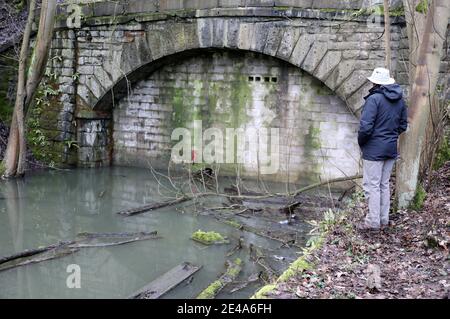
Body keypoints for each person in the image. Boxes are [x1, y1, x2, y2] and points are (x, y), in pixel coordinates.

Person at [357, 67, 408, 231]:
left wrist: (362, 142)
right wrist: (391, 137)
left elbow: (365, 127)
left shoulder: (374, 100)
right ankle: (383, 219)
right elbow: (402, 125)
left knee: (373, 185)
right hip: (390, 148)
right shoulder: (399, 100)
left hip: (373, 149)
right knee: (384, 184)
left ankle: (373, 222)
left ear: (375, 82)